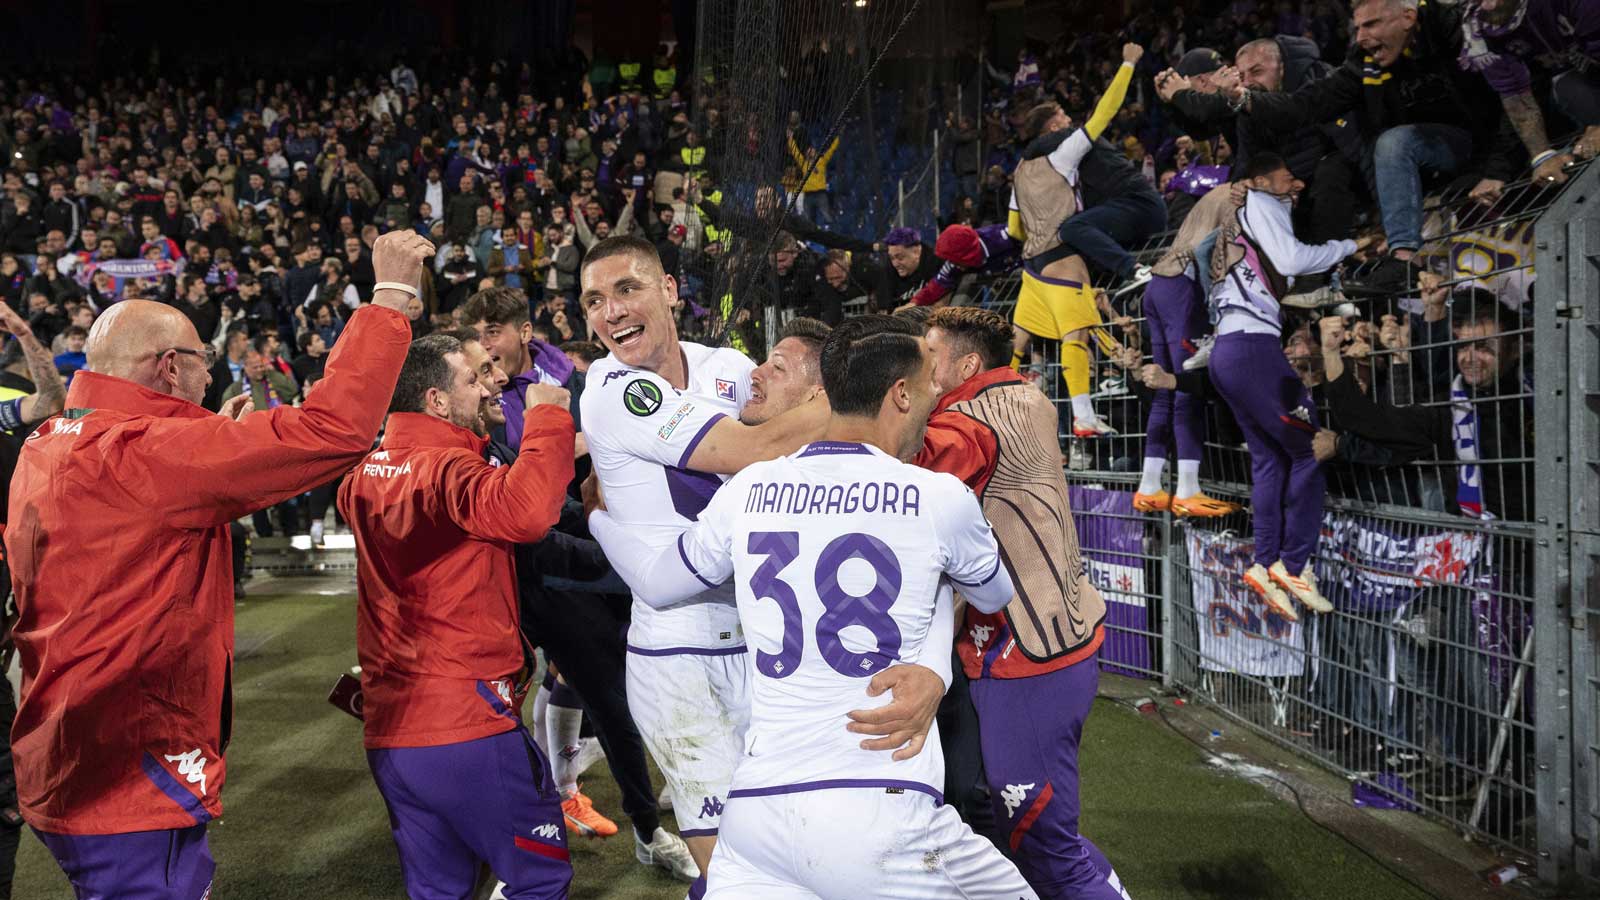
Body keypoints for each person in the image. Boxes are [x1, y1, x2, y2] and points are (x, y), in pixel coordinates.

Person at [5, 230, 433, 897]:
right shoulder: (155, 452)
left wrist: (216, 452)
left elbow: (130, 538)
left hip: (61, 748)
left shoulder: (47, 444)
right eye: (203, 363)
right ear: (170, 367)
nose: (211, 375)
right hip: (127, 769)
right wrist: (391, 297)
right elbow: (334, 430)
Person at [587, 314, 1037, 900]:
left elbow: (653, 579)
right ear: (899, 393)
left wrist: (596, 515)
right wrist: (935, 657)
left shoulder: (748, 490)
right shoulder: (938, 498)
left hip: (757, 818)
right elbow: (994, 595)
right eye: (928, 385)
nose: (937, 397)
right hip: (878, 810)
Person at [577, 235, 945, 890]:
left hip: (762, 641)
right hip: (679, 653)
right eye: (593, 301)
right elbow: (758, 447)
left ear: (668, 290)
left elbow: (791, 425)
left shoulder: (725, 366)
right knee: (738, 870)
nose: (609, 312)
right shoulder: (613, 389)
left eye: (626, 289)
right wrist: (857, 385)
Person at [338, 333, 577, 900]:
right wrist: (546, 420)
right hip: (466, 721)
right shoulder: (444, 470)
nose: (488, 385)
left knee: (440, 890)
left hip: (391, 728)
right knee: (539, 880)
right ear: (437, 402)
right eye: (472, 380)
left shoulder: (363, 475)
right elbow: (526, 514)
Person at [913, 307, 1132, 900]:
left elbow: (902, 474)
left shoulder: (969, 421)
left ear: (967, 364)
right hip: (1055, 640)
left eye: (929, 357)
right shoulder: (1024, 396)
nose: (919, 368)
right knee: (1025, 825)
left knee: (1042, 846)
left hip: (1029, 658)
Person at [1205, 153, 1363, 619]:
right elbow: (1292, 258)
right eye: (1288, 174)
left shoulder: (1237, 213)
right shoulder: (1262, 202)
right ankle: (1295, 564)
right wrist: (1348, 246)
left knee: (1269, 458)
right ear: (1257, 176)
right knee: (1308, 446)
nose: (1296, 184)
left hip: (1229, 351)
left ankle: (1263, 562)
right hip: (1253, 349)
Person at [1010, 42, 1153, 437]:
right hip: (1059, 258)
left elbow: (1014, 228)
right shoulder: (1062, 151)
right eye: (1063, 117)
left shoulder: (1019, 170)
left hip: (1030, 265)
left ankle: (994, 409)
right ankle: (1084, 416)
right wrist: (1126, 64)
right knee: (1077, 334)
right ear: (1052, 128)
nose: (1070, 121)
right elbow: (1104, 114)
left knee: (1018, 342)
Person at [1131, 181, 1242, 517]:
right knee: (1184, 388)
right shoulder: (1242, 199)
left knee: (1165, 391)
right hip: (1182, 290)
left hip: (1158, 286)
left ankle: (1149, 487)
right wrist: (1213, 311)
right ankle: (1188, 490)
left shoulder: (1216, 194)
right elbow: (1211, 249)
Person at [904, 222, 1021, 310]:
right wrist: (914, 303)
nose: (955, 266)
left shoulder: (1005, 237)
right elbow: (936, 285)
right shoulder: (953, 263)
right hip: (999, 291)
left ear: (969, 255)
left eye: (958, 262)